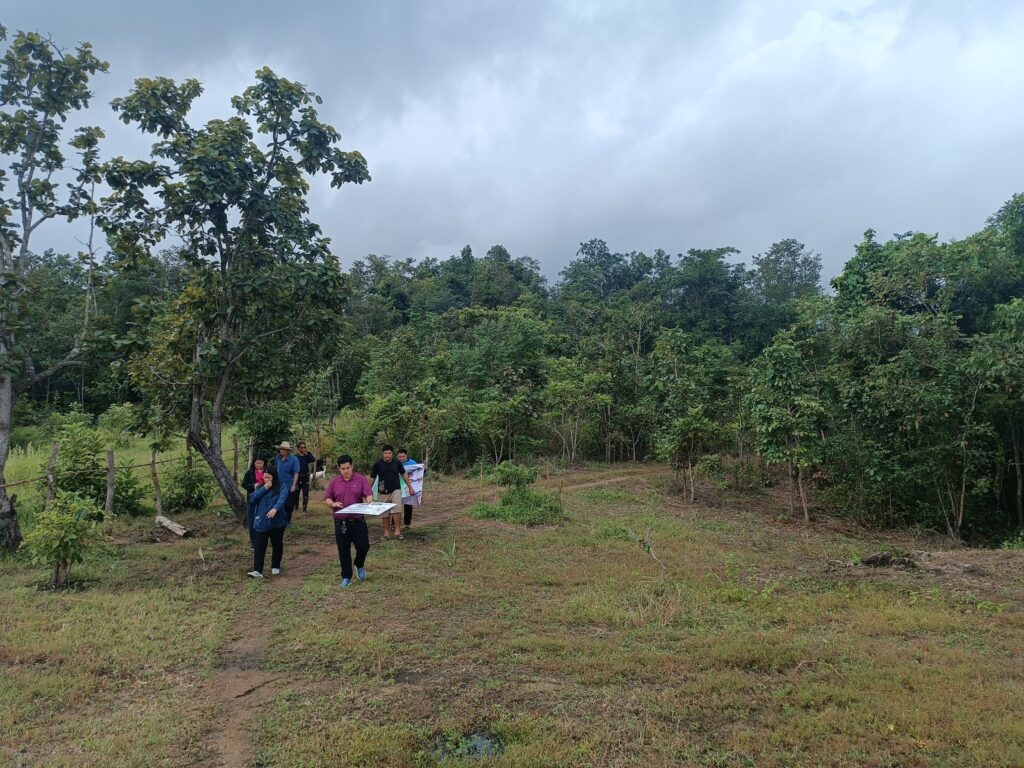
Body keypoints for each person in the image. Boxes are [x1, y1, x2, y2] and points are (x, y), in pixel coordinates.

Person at [323, 454, 373, 588]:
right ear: (339, 468)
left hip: (358, 520)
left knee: (364, 546)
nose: (346, 471)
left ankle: (359, 563)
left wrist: (369, 500)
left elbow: (368, 494)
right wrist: (332, 503)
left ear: (352, 466)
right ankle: (346, 577)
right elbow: (327, 498)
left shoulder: (361, 479)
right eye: (343, 469)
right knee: (343, 550)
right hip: (341, 522)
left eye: (348, 468)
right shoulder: (334, 482)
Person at [247, 469, 288, 578]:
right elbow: (253, 499)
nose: (266, 480)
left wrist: (275, 508)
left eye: (269, 478)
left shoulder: (281, 486)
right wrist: (264, 488)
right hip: (261, 521)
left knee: (277, 544)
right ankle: (257, 570)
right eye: (265, 477)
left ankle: (275, 565)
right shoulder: (261, 487)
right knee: (259, 545)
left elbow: (282, 499)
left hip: (277, 522)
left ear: (274, 477)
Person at [370, 444, 411, 540]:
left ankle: (397, 532)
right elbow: (372, 478)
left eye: (389, 453)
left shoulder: (397, 462)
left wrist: (410, 487)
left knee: (397, 510)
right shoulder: (377, 464)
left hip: (396, 490)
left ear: (392, 453)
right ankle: (386, 533)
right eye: (385, 453)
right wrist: (368, 491)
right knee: (385, 513)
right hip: (382, 491)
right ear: (382, 454)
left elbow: (404, 474)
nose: (387, 455)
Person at [241, 456, 268, 546]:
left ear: (264, 463)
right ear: (254, 463)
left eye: (261, 463)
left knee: (264, 518)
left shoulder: (268, 472)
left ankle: (263, 539)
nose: (259, 465)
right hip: (252, 498)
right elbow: (244, 484)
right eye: (257, 463)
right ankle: (253, 541)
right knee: (252, 519)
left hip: (265, 498)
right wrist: (253, 486)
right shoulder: (249, 473)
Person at [274, 441, 301, 521]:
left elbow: (296, 473)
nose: (281, 451)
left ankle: (287, 521)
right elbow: (275, 470)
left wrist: (293, 485)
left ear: (288, 451)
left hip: (289, 485)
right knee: (279, 503)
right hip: (279, 485)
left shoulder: (293, 459)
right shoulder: (277, 458)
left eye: (284, 449)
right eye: (281, 449)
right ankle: (281, 521)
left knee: (289, 505)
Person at [396, 448, 419, 529]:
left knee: (408, 505)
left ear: (407, 456)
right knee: (395, 506)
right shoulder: (394, 463)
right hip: (397, 486)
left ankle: (407, 524)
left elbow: (418, 472)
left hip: (409, 486)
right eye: (399, 457)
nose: (401, 458)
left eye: (403, 457)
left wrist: (423, 470)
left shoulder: (413, 463)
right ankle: (394, 524)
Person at [295, 442, 315, 514]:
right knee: (296, 493)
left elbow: (313, 459)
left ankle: (304, 509)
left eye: (305, 447)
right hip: (297, 477)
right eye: (302, 448)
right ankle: (296, 507)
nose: (304, 449)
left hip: (305, 477)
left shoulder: (307, 456)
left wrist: (308, 453)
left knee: (305, 493)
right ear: (298, 448)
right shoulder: (295, 457)